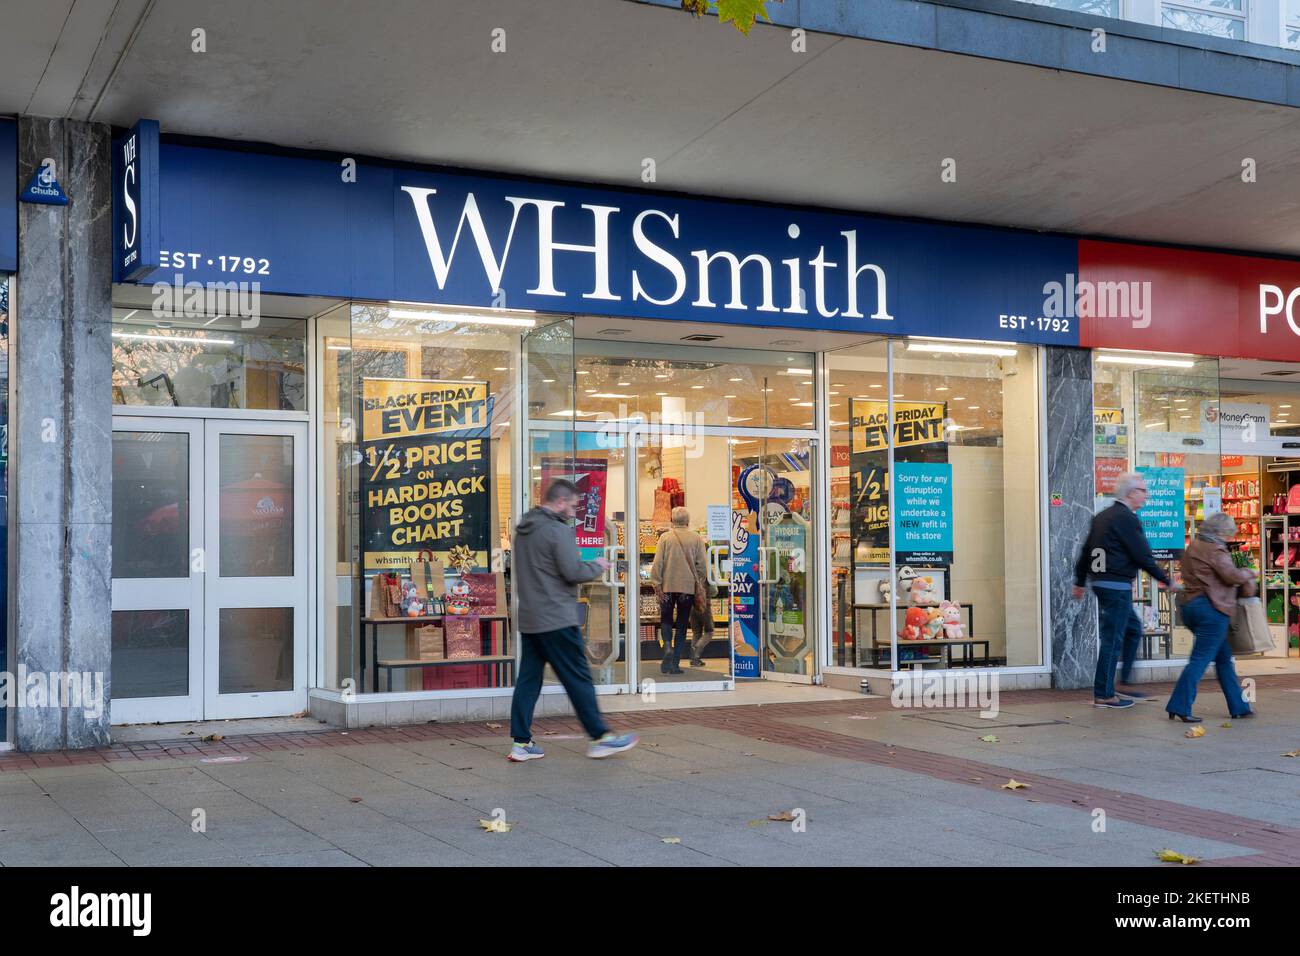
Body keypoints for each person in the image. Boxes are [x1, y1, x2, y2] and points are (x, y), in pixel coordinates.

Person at [507, 479, 639, 762]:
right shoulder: (557, 531)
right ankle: (600, 737)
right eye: (572, 505)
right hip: (557, 618)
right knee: (578, 677)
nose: (574, 511)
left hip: (531, 618)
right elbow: (572, 571)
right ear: (559, 501)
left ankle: (520, 742)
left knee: (528, 680)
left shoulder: (523, 531)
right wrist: (598, 565)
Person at [1072, 472, 1173, 709]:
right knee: (1112, 639)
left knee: (1132, 628)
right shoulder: (1127, 518)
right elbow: (1142, 555)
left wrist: (1080, 581)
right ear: (1130, 493)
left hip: (1101, 583)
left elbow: (1086, 551)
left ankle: (1123, 682)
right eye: (1143, 491)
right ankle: (1104, 694)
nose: (1146, 495)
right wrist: (1165, 579)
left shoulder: (1102, 517)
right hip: (1116, 585)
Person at [1166, 512, 1256, 722]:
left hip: (1191, 607)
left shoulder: (1194, 547)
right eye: (1227, 534)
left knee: (1224, 659)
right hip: (1211, 609)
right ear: (1217, 532)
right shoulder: (1215, 549)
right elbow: (1231, 575)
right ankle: (1179, 705)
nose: (1228, 538)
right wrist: (1250, 573)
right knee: (1199, 660)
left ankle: (1240, 706)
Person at [649, 507, 710, 675]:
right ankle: (675, 663)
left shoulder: (665, 538)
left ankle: (667, 647)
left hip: (667, 587)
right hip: (687, 589)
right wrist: (697, 581)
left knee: (666, 619)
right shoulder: (696, 538)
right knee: (682, 624)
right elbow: (703, 566)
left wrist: (657, 584)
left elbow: (657, 563)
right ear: (687, 521)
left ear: (672, 521)